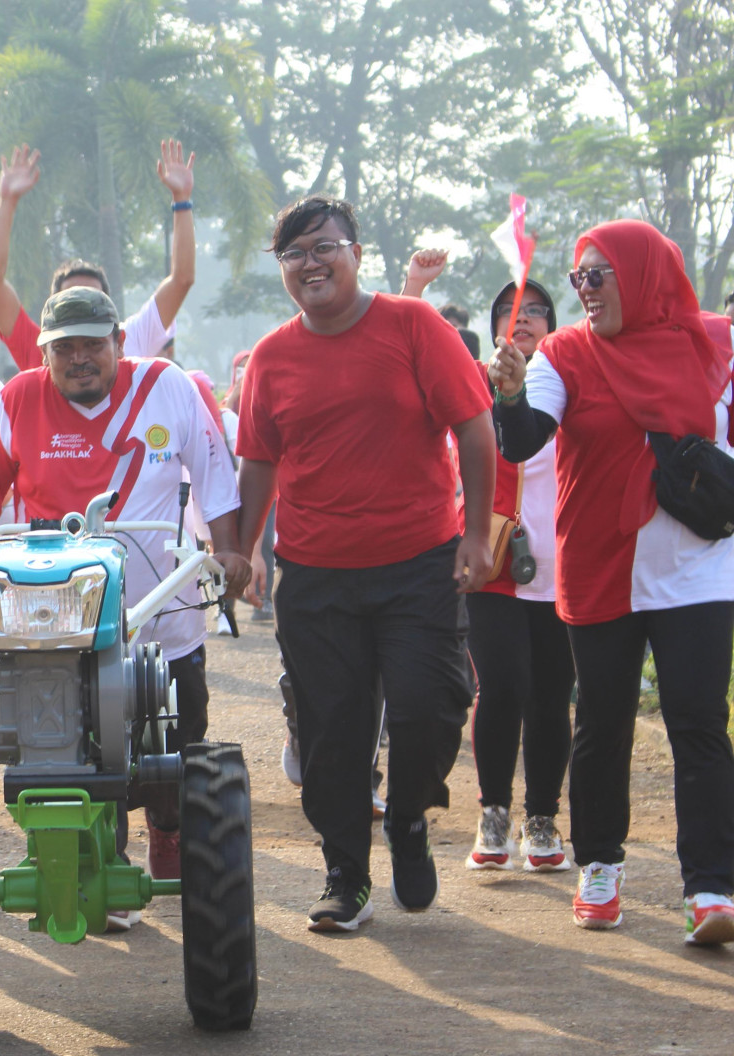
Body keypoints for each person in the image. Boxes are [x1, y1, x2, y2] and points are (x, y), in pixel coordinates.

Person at [234, 195, 494, 934]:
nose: (310, 263)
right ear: (282, 269)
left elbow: (475, 430)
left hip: (419, 560)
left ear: (356, 251)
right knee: (330, 729)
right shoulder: (274, 357)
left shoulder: (415, 326)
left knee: (430, 703)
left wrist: (477, 534)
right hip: (315, 571)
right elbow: (259, 460)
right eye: (294, 254)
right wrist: (249, 547)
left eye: (324, 246)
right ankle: (345, 872)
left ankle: (408, 813)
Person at [0, 286, 248, 922]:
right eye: (65, 348)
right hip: (53, 619)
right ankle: (93, 859)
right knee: (70, 739)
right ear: (45, 353)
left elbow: (215, 472)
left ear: (119, 341)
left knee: (174, 736)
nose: (80, 358)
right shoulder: (17, 399)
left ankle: (169, 824)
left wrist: (232, 550)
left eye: (93, 344)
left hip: (160, 611)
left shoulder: (166, 386)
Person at [490, 219, 734, 944]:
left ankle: (712, 886)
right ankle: (600, 864)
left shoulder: (717, 342)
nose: (586, 291)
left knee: (697, 720)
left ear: (647, 274)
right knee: (602, 722)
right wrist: (507, 398)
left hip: (698, 564)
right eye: (579, 279)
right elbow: (525, 436)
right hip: (602, 562)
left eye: (600, 275)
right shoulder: (564, 353)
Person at [456, 280, 576, 873]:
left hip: (564, 563)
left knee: (552, 694)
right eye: (508, 310)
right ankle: (495, 812)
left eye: (534, 310)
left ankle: (542, 818)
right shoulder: (476, 378)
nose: (521, 318)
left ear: (553, 322)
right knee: (500, 684)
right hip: (495, 555)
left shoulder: (572, 374)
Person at [0, 141, 196, 371]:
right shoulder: (40, 349)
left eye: (92, 298)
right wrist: (7, 201)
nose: (80, 357)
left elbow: (182, 279)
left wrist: (182, 199)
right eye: (71, 298)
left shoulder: (131, 340)